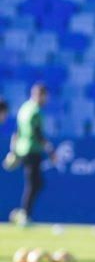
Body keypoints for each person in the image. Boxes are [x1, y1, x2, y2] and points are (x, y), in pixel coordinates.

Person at [13, 83, 56, 225]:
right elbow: (36, 133)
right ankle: (23, 214)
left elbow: (18, 131)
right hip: (32, 150)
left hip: (22, 149)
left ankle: (24, 213)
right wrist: (50, 150)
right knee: (33, 184)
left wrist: (14, 151)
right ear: (40, 95)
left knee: (36, 183)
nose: (46, 99)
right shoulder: (35, 111)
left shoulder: (24, 108)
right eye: (45, 96)